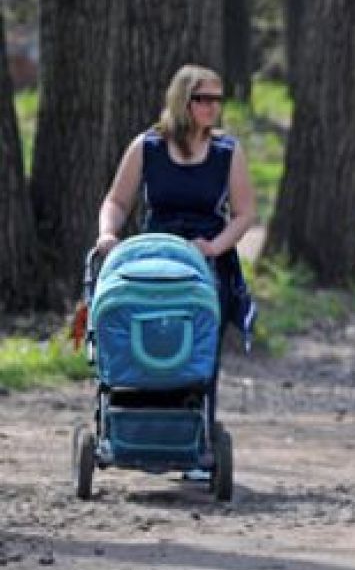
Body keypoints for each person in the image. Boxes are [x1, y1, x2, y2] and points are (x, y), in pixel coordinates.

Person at [95, 64, 257, 478]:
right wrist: (108, 234)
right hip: (156, 255)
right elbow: (116, 200)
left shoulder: (226, 152)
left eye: (218, 99)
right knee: (151, 342)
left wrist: (215, 247)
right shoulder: (148, 146)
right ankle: (144, 432)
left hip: (205, 259)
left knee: (200, 352)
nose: (213, 107)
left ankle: (197, 442)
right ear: (183, 101)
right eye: (204, 99)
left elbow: (244, 214)